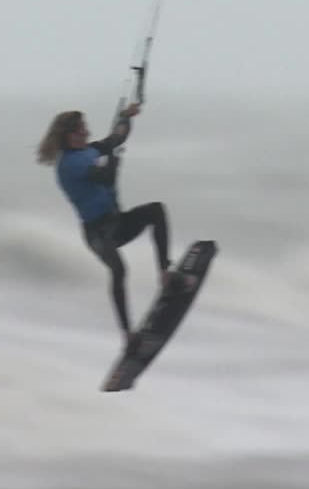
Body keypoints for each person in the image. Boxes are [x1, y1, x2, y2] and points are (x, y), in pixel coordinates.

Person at [36, 103, 195, 347]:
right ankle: (127, 334)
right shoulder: (68, 166)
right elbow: (105, 176)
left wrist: (125, 117)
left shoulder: (90, 150)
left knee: (156, 211)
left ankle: (165, 274)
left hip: (116, 223)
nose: (87, 133)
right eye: (83, 130)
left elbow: (116, 137)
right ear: (70, 135)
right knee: (119, 270)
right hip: (98, 234)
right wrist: (112, 159)